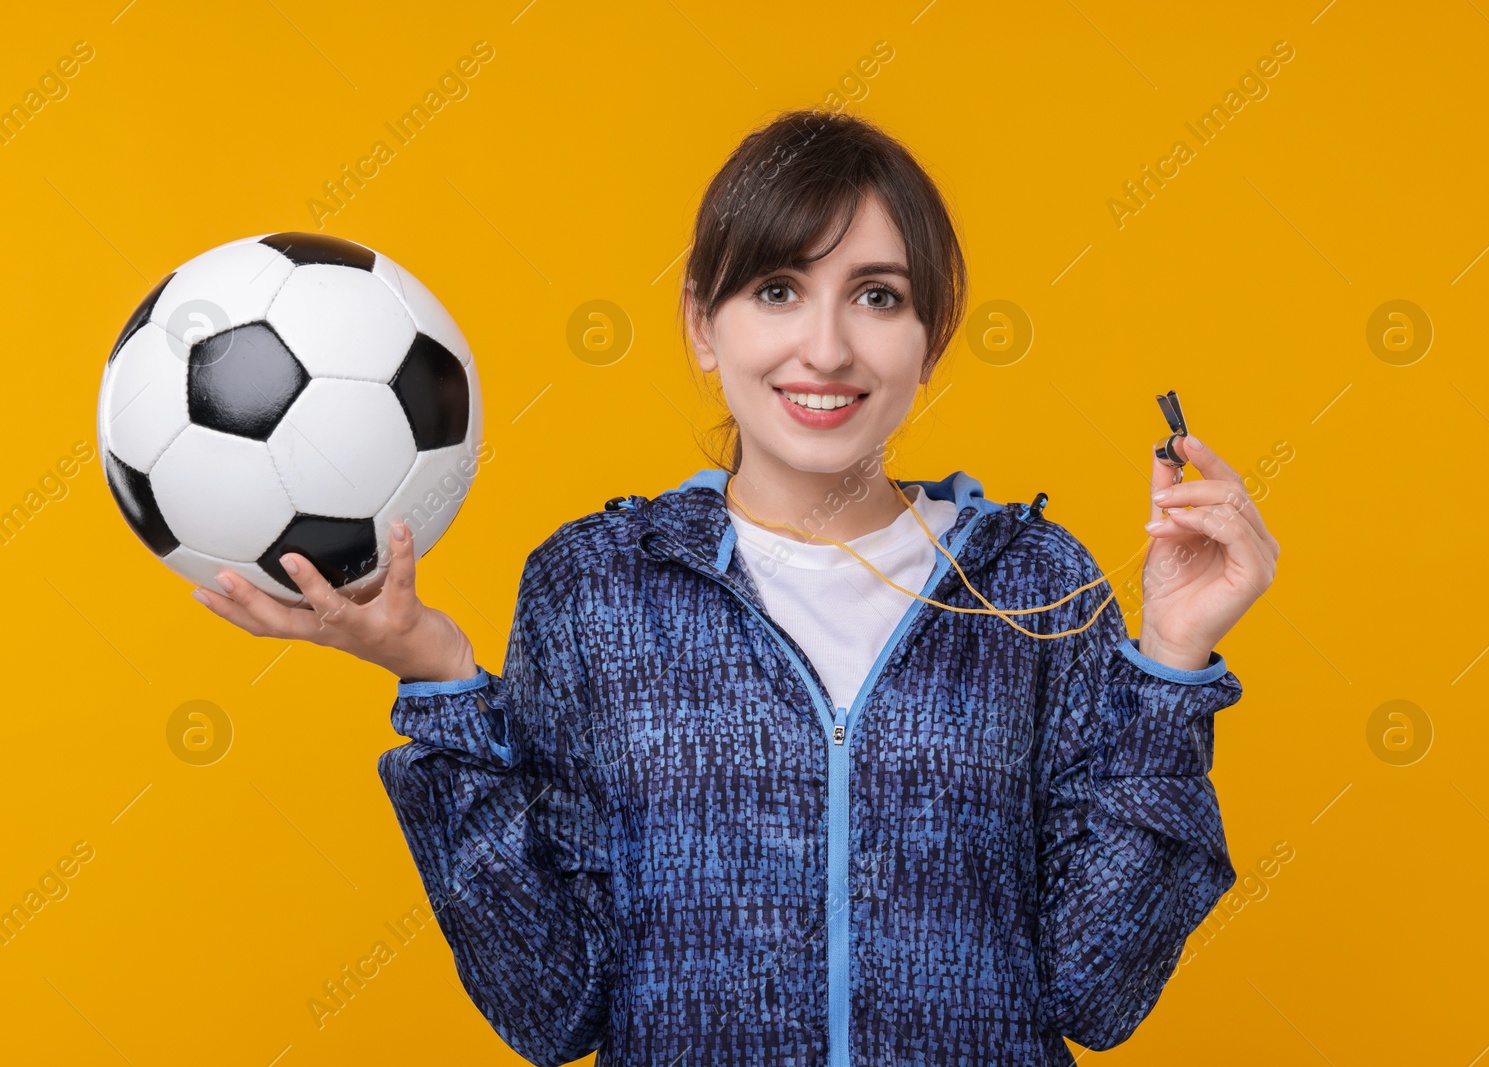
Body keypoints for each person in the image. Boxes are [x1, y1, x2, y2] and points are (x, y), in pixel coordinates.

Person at [194, 109, 1279, 1066]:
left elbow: (1098, 989)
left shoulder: (1037, 586)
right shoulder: (593, 587)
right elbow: (550, 1004)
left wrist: (1172, 658)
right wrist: (435, 681)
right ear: (702, 324)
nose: (825, 345)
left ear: (932, 334)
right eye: (775, 289)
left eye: (877, 295)